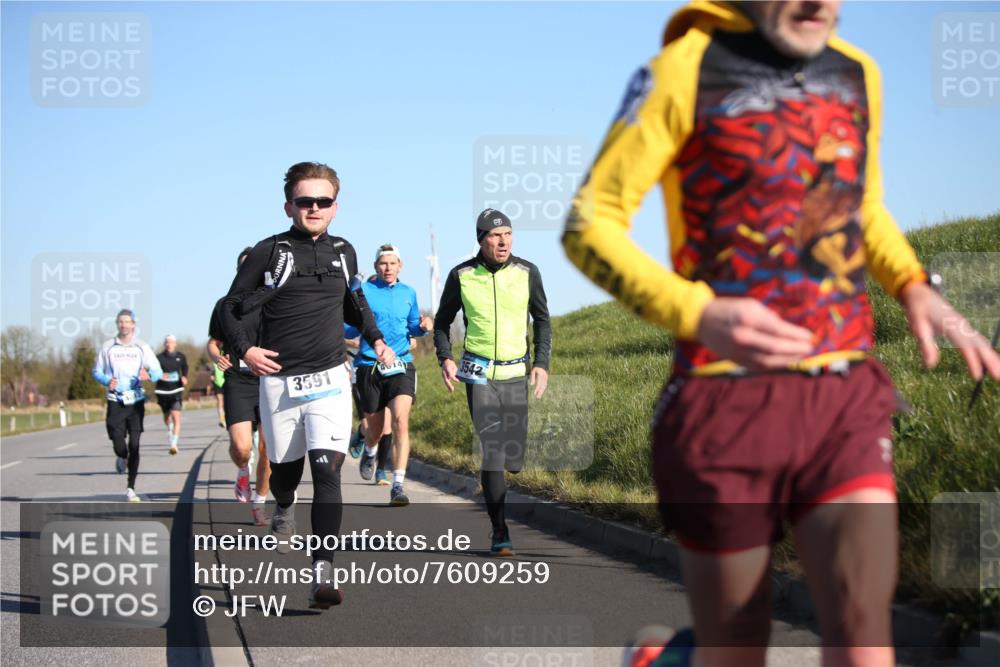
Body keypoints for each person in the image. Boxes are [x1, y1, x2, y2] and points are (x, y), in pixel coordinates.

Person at [560, 2, 1000, 666]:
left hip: (843, 394)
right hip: (724, 403)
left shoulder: (858, 73)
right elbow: (590, 222)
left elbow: (861, 204)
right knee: (737, 645)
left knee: (862, 635)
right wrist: (700, 313)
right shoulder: (683, 70)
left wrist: (912, 282)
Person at [221, 161, 392, 608]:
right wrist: (246, 351)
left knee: (327, 470)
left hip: (331, 378)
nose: (314, 208)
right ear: (288, 206)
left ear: (336, 206)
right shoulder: (269, 251)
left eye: (323, 201)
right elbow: (229, 307)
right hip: (279, 382)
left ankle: (322, 573)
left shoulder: (343, 251)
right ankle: (282, 504)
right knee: (285, 474)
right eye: (305, 201)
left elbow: (355, 305)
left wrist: (376, 339)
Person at [434, 209, 551, 556]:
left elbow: (543, 320)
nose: (503, 242)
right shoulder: (462, 275)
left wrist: (542, 363)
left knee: (514, 455)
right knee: (494, 452)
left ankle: (499, 480)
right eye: (495, 236)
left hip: (516, 372)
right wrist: (446, 357)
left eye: (508, 235)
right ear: (481, 239)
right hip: (478, 372)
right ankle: (500, 531)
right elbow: (442, 322)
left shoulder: (528, 272)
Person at [345, 244, 433, 506]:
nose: (388, 268)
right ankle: (370, 451)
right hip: (369, 366)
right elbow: (349, 329)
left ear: (400, 266)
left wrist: (424, 326)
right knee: (374, 430)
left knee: (400, 422)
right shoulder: (364, 292)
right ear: (375, 267)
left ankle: (398, 485)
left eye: (392, 263)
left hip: (401, 364)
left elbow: (414, 327)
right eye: (383, 263)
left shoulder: (409, 292)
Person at [208, 247, 272, 526]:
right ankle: (242, 469)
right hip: (238, 380)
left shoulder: (274, 302)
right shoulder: (225, 305)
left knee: (270, 451)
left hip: (270, 380)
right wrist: (216, 357)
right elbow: (213, 343)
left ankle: (259, 502)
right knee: (242, 446)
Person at [92, 309, 163, 502]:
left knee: (135, 444)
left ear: (133, 325)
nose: (123, 325)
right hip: (115, 401)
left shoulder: (141, 347)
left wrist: (149, 375)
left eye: (127, 322)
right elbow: (96, 371)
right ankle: (121, 457)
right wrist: (107, 381)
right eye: (120, 322)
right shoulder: (108, 347)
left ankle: (131, 488)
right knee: (118, 443)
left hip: (136, 402)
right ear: (117, 324)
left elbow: (157, 371)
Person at [155, 334, 188, 455]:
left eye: (171, 342)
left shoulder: (181, 356)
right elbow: (153, 371)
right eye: (167, 342)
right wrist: (158, 375)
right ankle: (169, 428)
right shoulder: (159, 358)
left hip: (176, 389)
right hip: (162, 390)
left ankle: (174, 444)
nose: (169, 344)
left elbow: (185, 368)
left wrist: (184, 377)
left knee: (176, 416)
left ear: (175, 344)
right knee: (167, 417)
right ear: (165, 344)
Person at [212, 360, 226, 428]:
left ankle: (226, 418)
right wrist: (212, 375)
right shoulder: (214, 359)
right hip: (217, 383)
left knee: (226, 402)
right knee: (220, 401)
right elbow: (213, 370)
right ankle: (221, 419)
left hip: (226, 381)